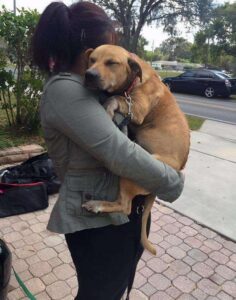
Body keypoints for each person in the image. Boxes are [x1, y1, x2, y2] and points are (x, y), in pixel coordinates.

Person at [32, 2, 185, 300]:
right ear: (90, 48)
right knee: (100, 294)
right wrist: (173, 181)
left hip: (124, 213)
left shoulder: (92, 88)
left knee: (114, 291)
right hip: (99, 224)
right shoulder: (67, 90)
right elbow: (120, 153)